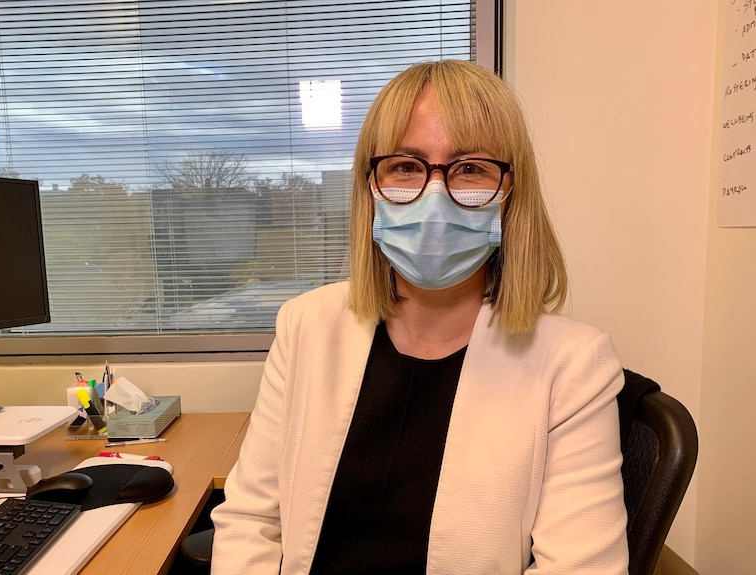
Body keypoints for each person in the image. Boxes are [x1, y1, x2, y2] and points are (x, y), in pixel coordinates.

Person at [210, 60, 628, 574]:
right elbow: (250, 521)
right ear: (371, 186)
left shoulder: (574, 366)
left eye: (470, 168)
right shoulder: (306, 326)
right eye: (406, 166)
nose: (434, 195)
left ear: (509, 192)